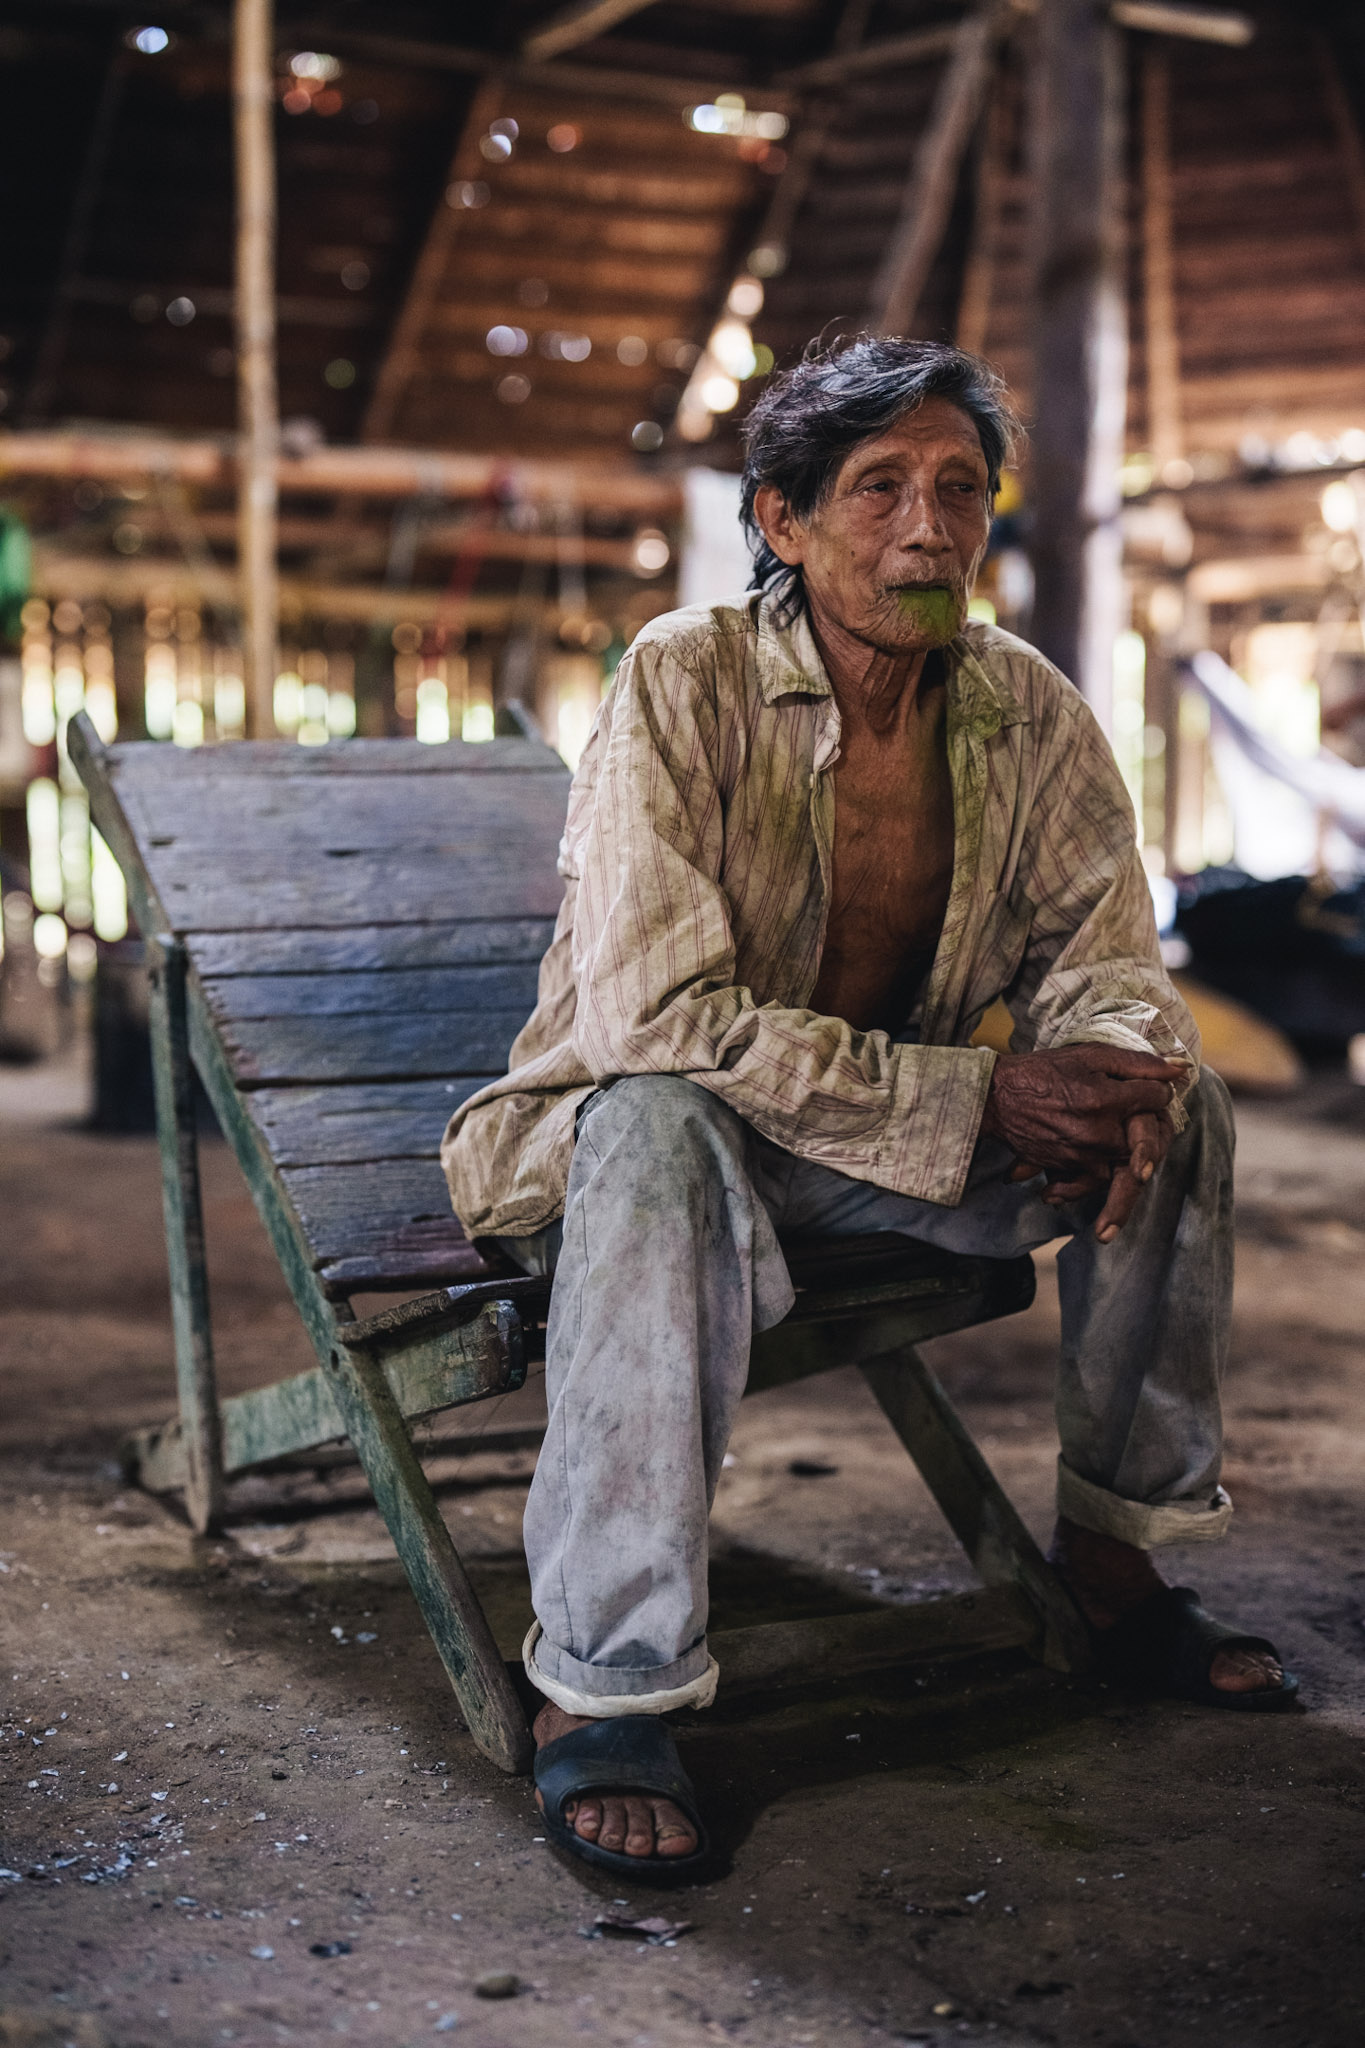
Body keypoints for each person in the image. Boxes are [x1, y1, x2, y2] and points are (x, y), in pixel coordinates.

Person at [442, 337, 1296, 1884]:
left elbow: (1107, 959)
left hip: (865, 1153)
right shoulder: (682, 679)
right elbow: (658, 1023)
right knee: (649, 1123)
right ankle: (602, 1686)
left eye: (959, 491)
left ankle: (1112, 1568)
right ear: (783, 521)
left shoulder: (1022, 710)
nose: (927, 528)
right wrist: (980, 1091)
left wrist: (1106, 1070)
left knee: (1183, 1117)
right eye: (880, 489)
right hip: (646, 1152)